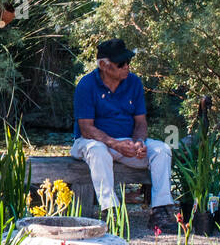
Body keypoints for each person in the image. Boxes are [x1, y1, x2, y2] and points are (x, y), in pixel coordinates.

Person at [70, 38, 177, 231]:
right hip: (91, 143)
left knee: (162, 149)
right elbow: (86, 128)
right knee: (97, 150)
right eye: (121, 64)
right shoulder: (86, 85)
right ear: (103, 65)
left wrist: (138, 142)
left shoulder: (134, 82)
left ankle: (160, 211)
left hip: (125, 144)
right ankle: (110, 211)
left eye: (128, 62)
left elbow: (141, 122)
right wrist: (114, 143)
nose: (127, 66)